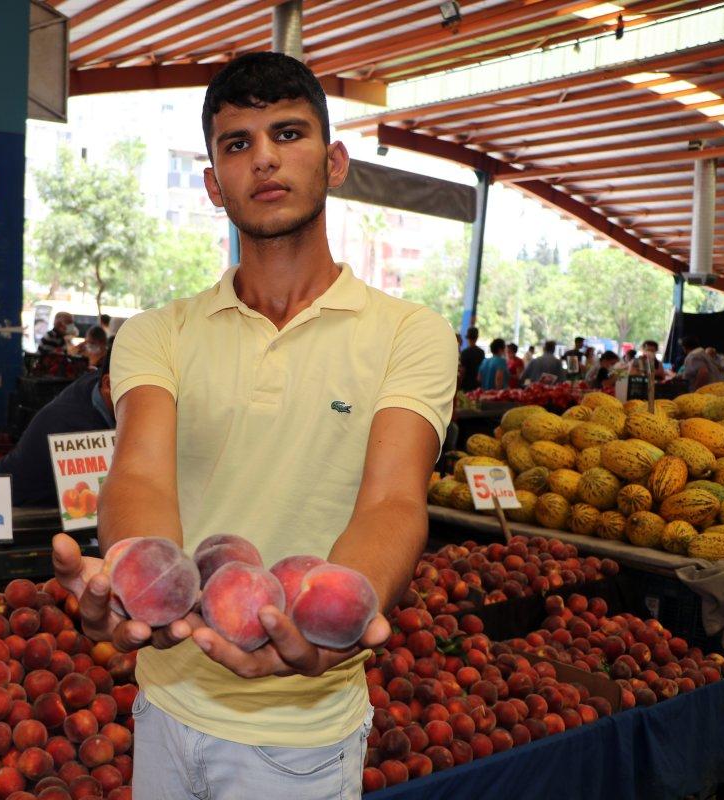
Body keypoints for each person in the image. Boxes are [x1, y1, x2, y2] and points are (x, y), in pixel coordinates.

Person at [51, 52, 456, 798]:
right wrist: (136, 577)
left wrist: (336, 612)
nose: (264, 157)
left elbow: (394, 501)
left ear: (333, 162)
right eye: (238, 143)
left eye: (289, 133)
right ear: (213, 184)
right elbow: (140, 472)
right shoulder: (157, 332)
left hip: (302, 734)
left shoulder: (411, 334)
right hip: (166, 699)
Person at [0, 338, 116, 507]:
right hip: (16, 511)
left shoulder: (99, 386)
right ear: (108, 384)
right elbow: (91, 511)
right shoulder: (75, 429)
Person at [458, 326, 484, 392]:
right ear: (477, 337)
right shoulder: (481, 352)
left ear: (467, 338)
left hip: (466, 384)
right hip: (477, 384)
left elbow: (462, 371)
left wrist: (458, 385)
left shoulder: (465, 353)